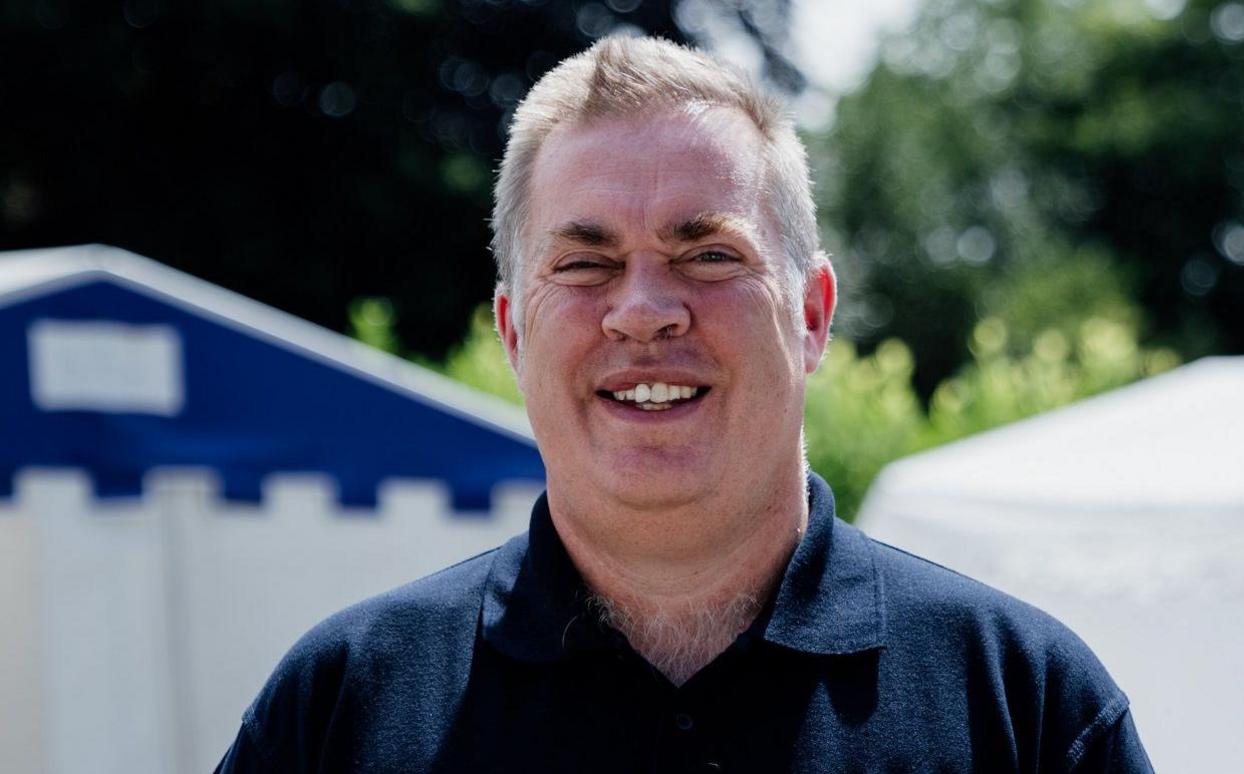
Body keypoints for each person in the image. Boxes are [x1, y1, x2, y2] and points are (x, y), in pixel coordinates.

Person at [216, 37, 1153, 773]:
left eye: (708, 255)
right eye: (585, 264)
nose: (645, 311)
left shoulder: (1024, 708)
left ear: (814, 315)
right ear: (512, 333)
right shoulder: (341, 711)